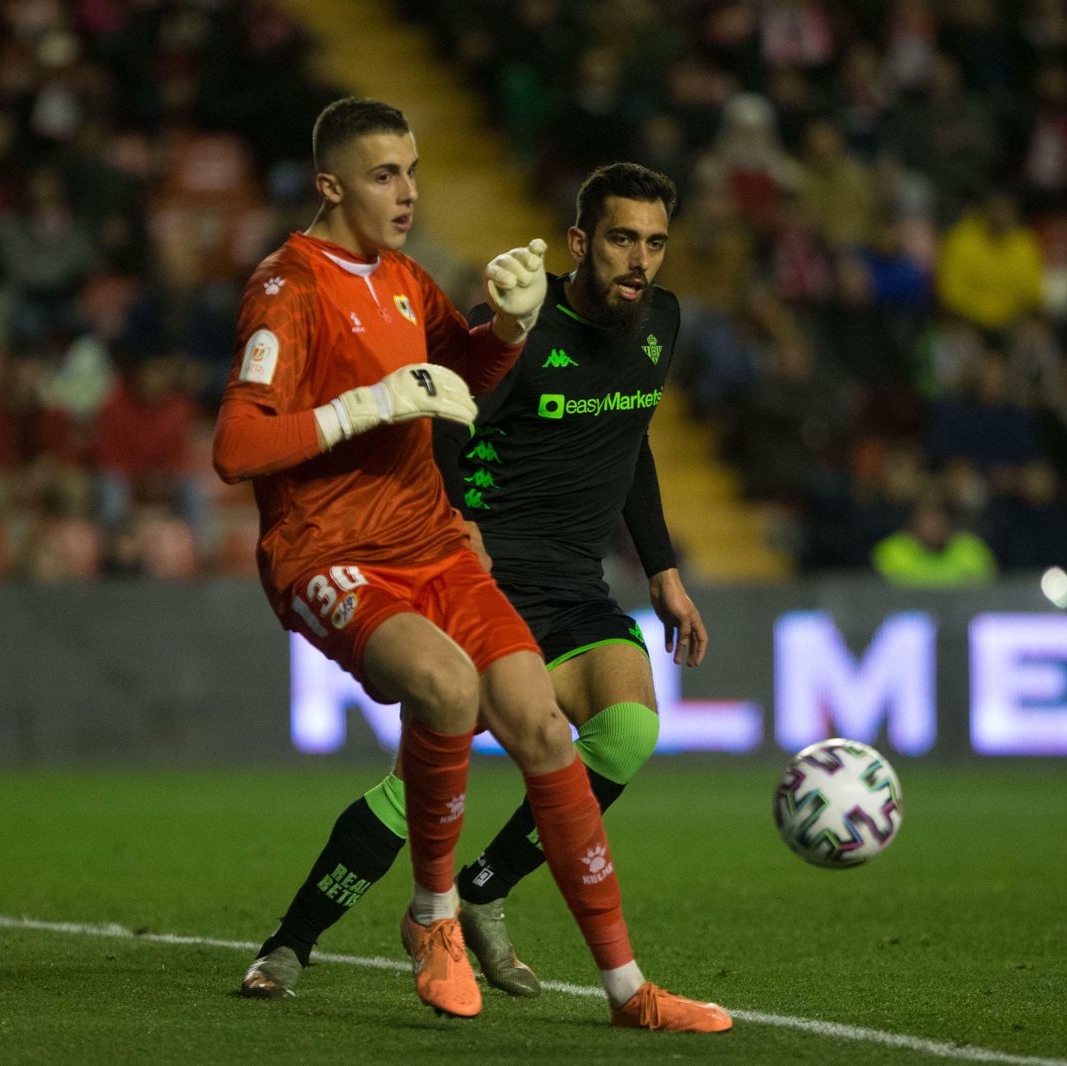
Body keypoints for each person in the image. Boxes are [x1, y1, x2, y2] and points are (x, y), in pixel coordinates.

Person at [214, 100, 728, 1033]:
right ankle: (405, 921)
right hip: (348, 550)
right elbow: (239, 445)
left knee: (564, 733)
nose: (409, 192)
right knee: (447, 703)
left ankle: (620, 985)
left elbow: (470, 382)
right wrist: (368, 414)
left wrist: (504, 330)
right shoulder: (287, 288)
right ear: (331, 185)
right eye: (385, 175)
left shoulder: (410, 279)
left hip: (466, 554)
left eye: (413, 171)